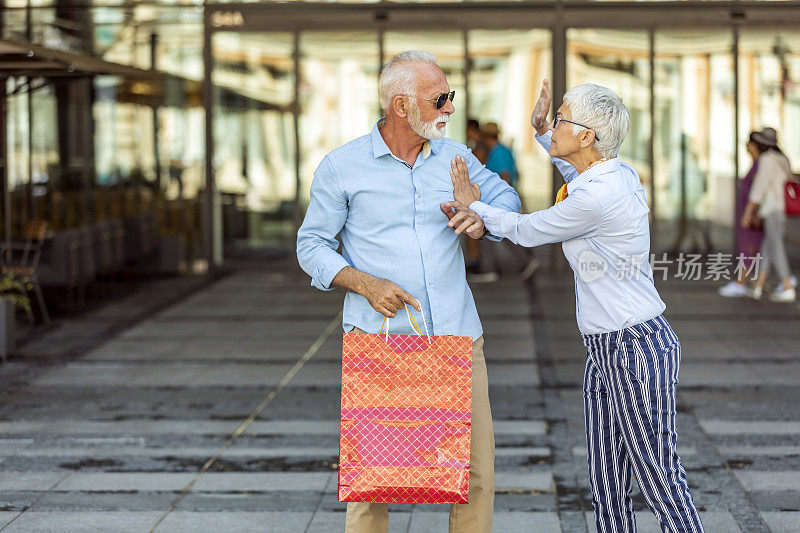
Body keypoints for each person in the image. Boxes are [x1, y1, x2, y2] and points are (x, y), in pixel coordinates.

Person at [444, 80, 705, 533]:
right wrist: (545, 131)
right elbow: (576, 179)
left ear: (587, 136)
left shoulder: (600, 195)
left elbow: (528, 229)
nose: (558, 123)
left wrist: (476, 207)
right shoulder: (611, 174)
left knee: (659, 478)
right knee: (606, 484)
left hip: (635, 347)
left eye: (564, 119)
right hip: (606, 350)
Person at [296, 50, 521, 533]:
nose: (449, 109)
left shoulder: (457, 157)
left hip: (458, 336)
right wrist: (362, 282)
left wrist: (482, 214)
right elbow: (311, 244)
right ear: (402, 105)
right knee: (372, 484)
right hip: (381, 342)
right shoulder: (343, 167)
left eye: (449, 97)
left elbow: (507, 199)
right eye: (440, 99)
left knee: (477, 472)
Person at [740, 127, 796, 302]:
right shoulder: (782, 158)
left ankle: (787, 286)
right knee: (768, 246)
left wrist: (748, 212)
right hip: (782, 210)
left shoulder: (766, 159)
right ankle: (758, 286)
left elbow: (759, 188)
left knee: (776, 247)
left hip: (772, 210)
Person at [718, 132, 767, 297]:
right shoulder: (755, 164)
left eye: (749, 143)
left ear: (755, 145)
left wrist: (753, 213)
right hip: (748, 214)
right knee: (754, 250)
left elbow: (760, 192)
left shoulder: (761, 165)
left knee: (748, 250)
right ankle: (754, 282)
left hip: (751, 216)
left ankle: (741, 283)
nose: (746, 146)